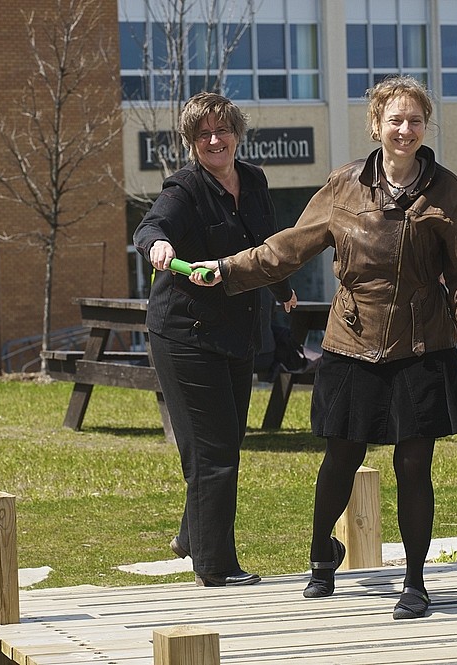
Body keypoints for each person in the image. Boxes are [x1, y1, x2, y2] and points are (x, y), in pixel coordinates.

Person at [187, 76, 457, 616]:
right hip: (352, 342)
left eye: (415, 120)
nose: (405, 130)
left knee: (414, 464)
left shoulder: (448, 191)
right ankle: (321, 554)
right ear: (376, 126)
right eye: (395, 120)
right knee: (341, 458)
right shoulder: (344, 185)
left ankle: (415, 583)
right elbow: (287, 248)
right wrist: (228, 269)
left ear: (425, 127)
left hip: (423, 345)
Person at [133, 92, 298, 587]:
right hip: (185, 334)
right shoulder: (184, 188)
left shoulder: (254, 181)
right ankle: (216, 566)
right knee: (213, 453)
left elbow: (264, 244)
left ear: (236, 134)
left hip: (236, 332)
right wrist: (158, 244)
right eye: (202, 134)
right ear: (191, 142)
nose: (213, 140)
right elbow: (152, 225)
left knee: (225, 443)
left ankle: (192, 535)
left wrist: (283, 289)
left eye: (221, 130)